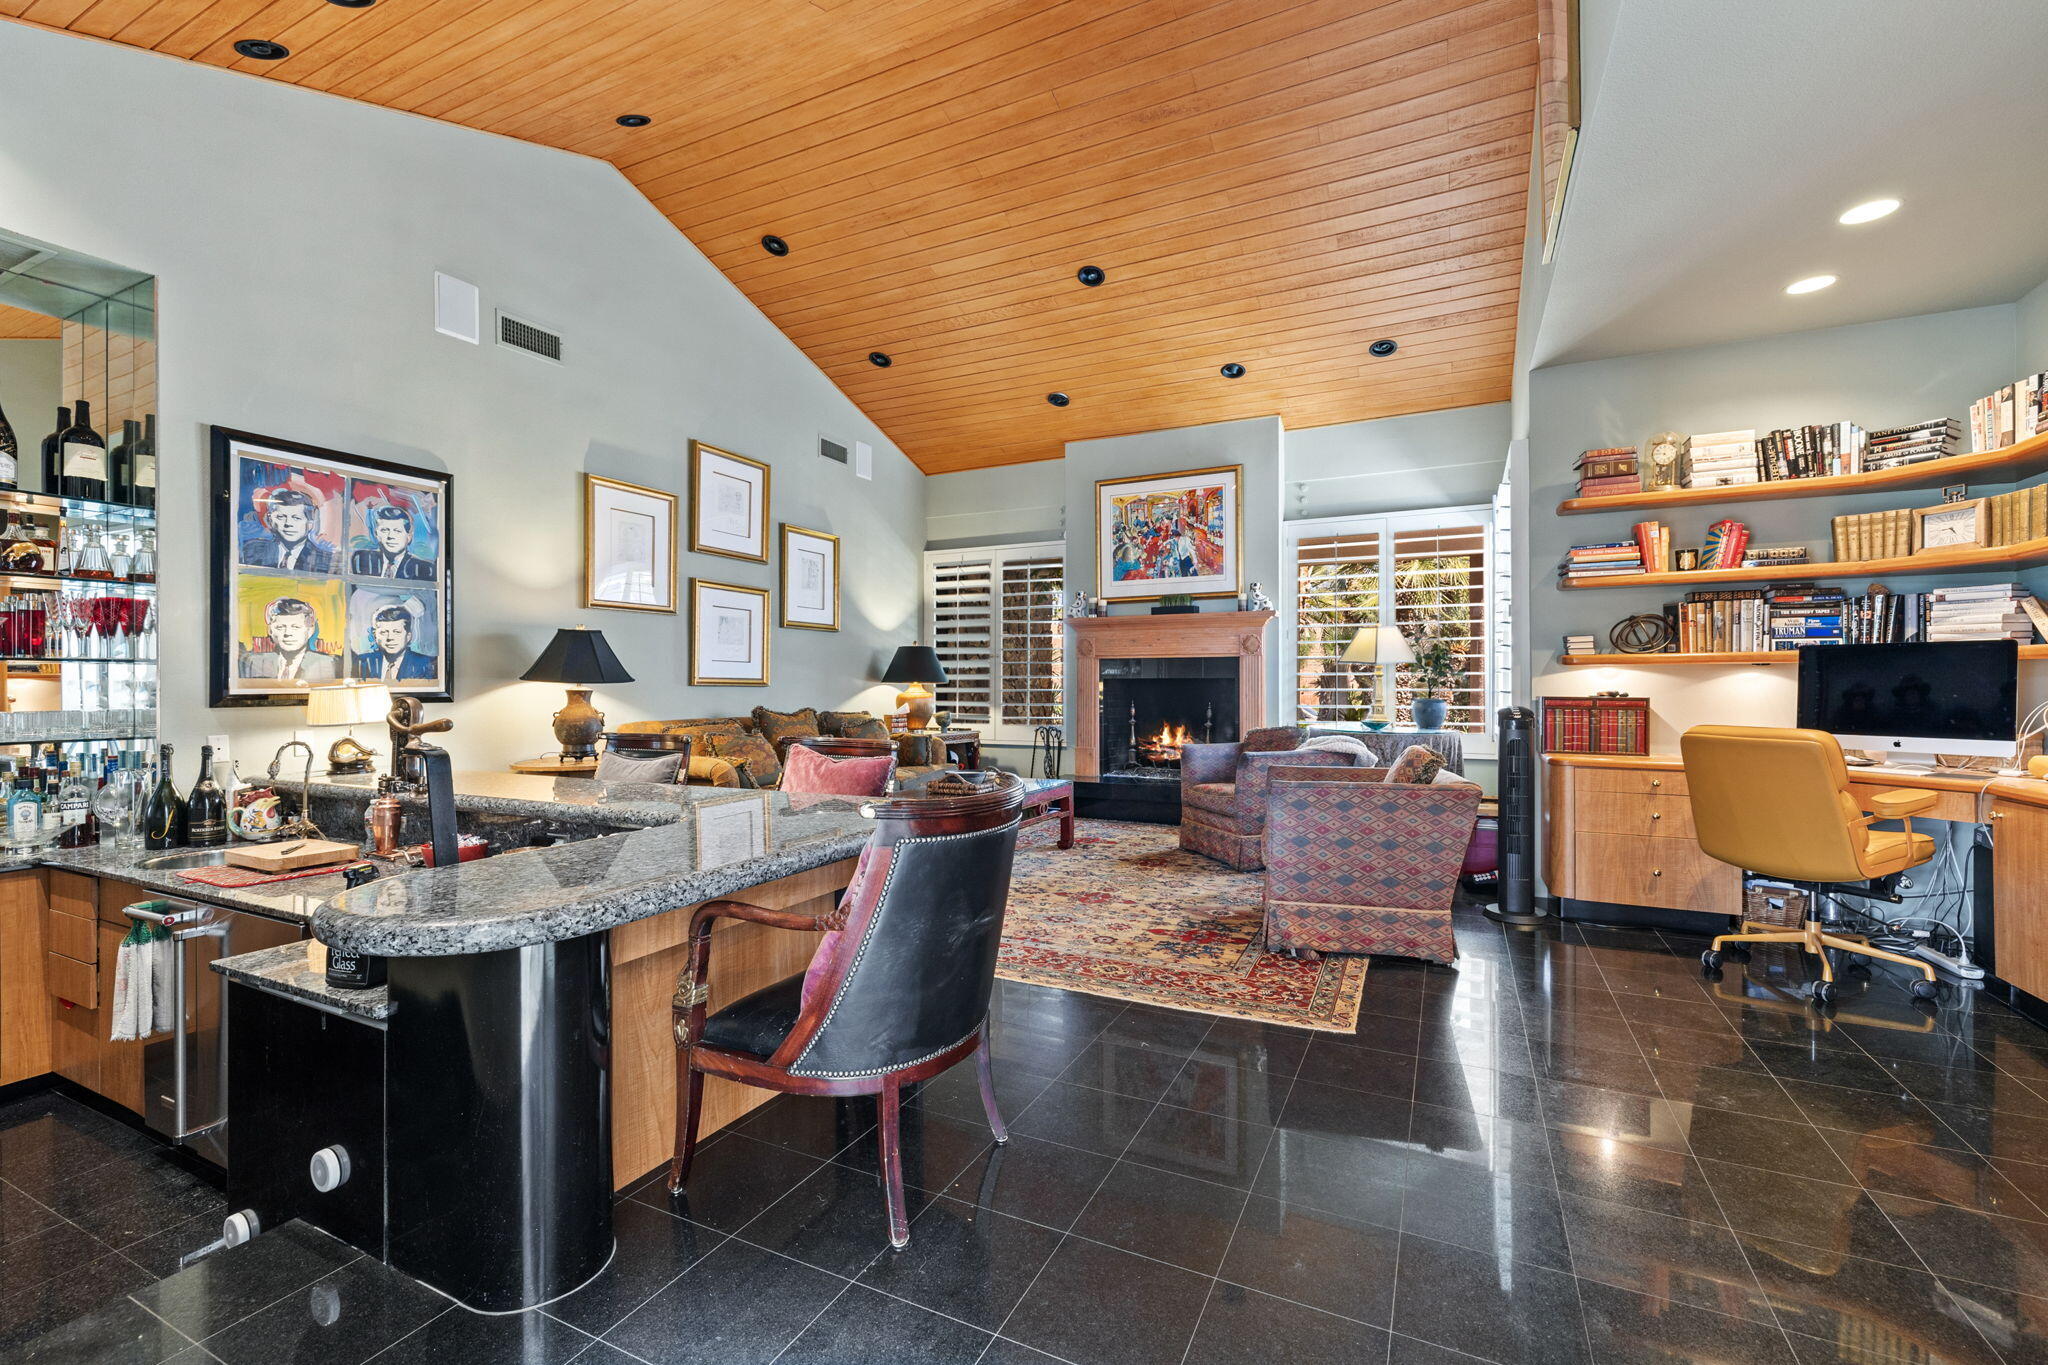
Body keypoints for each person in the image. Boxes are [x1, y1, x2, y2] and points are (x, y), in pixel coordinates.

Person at [238, 597, 342, 681]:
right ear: (270, 631)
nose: (287, 633)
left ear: (310, 631)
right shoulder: (253, 663)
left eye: (296, 627)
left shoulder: (327, 664)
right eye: (280, 627)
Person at [239, 486, 335, 573]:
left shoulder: (325, 559)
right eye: (280, 517)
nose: (288, 524)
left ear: (310, 523)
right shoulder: (251, 550)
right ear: (270, 520)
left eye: (296, 518)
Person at [349, 503, 435, 580]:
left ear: (409, 537)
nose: (390, 536)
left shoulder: (424, 568)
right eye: (384, 530)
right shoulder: (361, 559)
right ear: (377, 534)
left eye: (397, 531)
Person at [353, 605, 436, 682]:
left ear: (408, 636)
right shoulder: (362, 662)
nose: (390, 638)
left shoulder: (426, 664)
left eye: (396, 632)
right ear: (375, 636)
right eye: (384, 632)